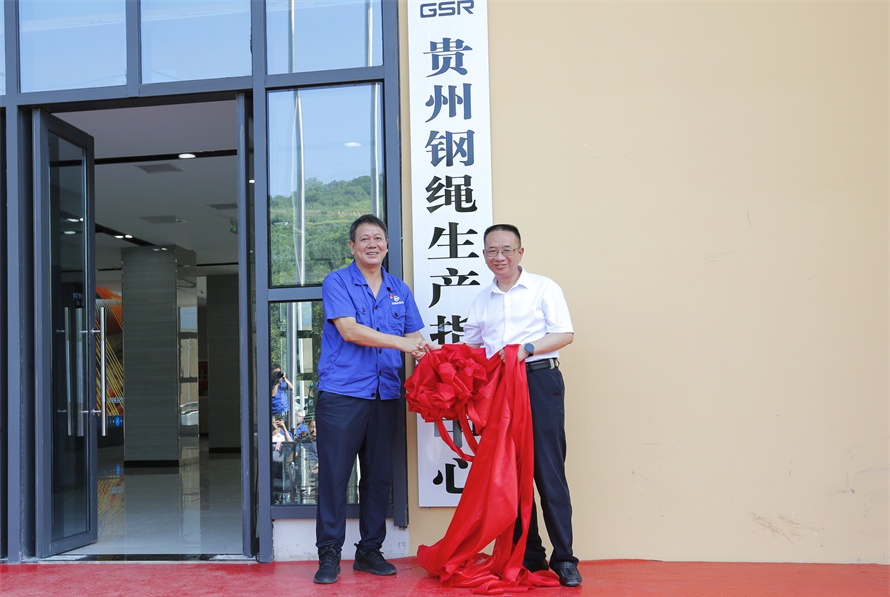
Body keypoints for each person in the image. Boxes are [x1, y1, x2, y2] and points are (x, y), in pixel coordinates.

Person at [314, 214, 435, 584]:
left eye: (378, 238)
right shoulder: (337, 281)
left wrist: (445, 360)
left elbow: (416, 338)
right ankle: (329, 554)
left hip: (386, 394)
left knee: (378, 477)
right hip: (342, 394)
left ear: (386, 245)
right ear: (353, 246)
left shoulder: (399, 289)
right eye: (364, 239)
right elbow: (350, 331)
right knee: (335, 476)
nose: (372, 244)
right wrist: (404, 344)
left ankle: (369, 551)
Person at [463, 224, 582, 588]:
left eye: (506, 250)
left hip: (538, 382)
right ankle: (530, 555)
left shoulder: (544, 288)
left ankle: (565, 559)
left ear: (520, 252)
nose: (499, 257)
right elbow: (471, 350)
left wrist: (526, 349)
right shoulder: (482, 300)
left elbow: (565, 333)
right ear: (484, 255)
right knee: (508, 475)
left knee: (548, 471)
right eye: (491, 251)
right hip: (500, 389)